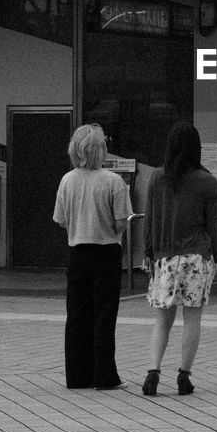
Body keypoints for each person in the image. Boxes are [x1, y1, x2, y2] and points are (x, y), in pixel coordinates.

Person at [141, 122, 217, 397]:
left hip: (164, 258)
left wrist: (149, 253)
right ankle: (184, 376)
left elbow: (149, 220)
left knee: (162, 320)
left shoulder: (157, 177)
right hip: (197, 257)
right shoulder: (207, 181)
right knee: (192, 319)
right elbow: (211, 224)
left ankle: (153, 372)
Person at [52, 123, 130, 390]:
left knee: (77, 316)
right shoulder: (113, 181)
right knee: (104, 316)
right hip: (106, 252)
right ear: (101, 150)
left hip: (76, 253)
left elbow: (61, 220)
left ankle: (77, 375)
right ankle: (105, 376)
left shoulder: (67, 180)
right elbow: (121, 222)